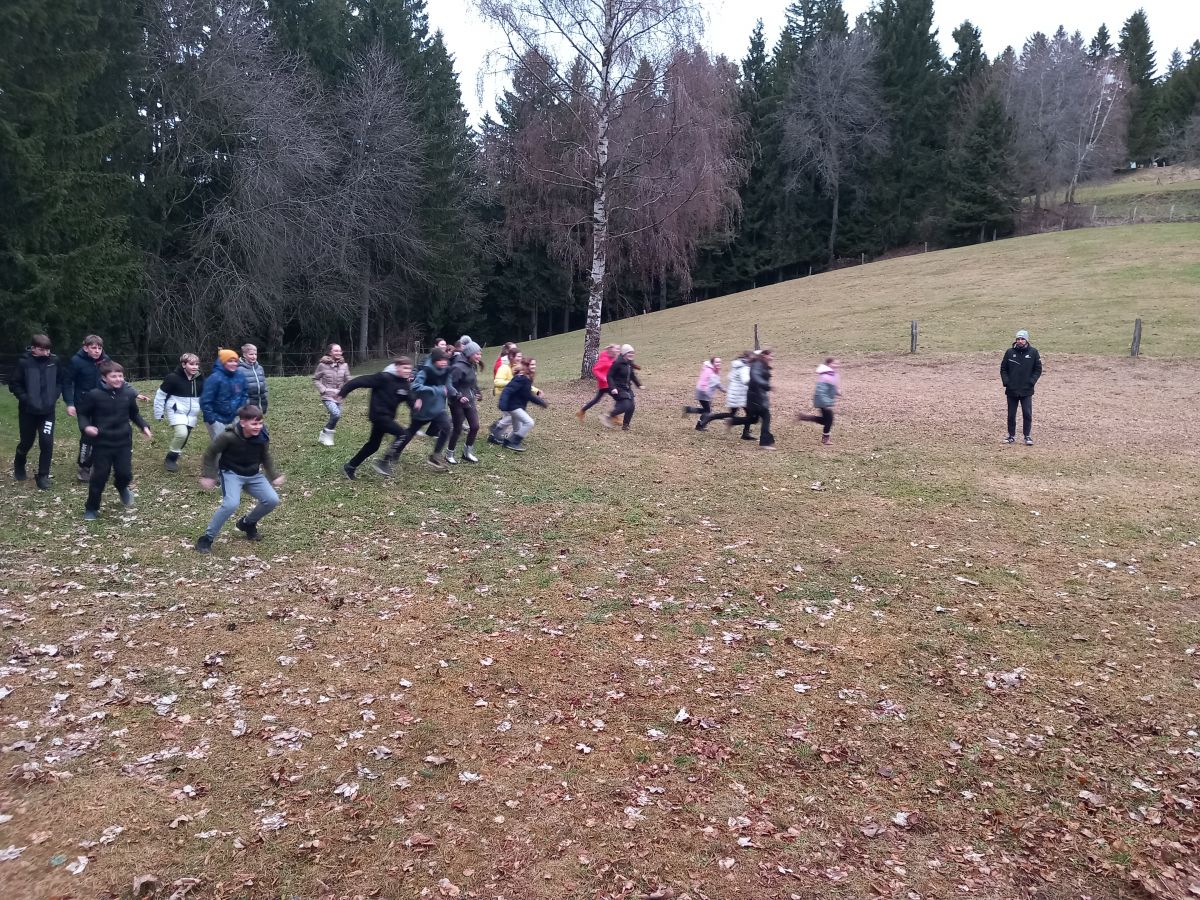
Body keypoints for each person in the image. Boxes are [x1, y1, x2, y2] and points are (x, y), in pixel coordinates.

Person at [195, 405, 283, 553]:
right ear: (242, 423)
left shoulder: (262, 436)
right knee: (231, 504)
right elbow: (210, 453)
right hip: (231, 474)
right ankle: (206, 539)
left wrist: (273, 476)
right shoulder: (228, 436)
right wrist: (209, 475)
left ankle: (247, 523)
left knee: (272, 500)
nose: (258, 427)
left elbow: (265, 456)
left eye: (260, 423)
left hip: (253, 474)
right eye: (254, 424)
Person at [77, 361, 152, 520]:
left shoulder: (127, 394)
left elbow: (134, 414)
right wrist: (86, 427)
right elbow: (82, 414)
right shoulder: (94, 395)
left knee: (125, 473)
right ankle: (91, 508)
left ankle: (122, 487)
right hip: (102, 444)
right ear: (104, 378)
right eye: (113, 376)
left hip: (123, 442)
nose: (118, 379)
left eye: (120, 376)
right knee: (99, 477)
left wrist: (144, 426)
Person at [378, 348, 458, 473]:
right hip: (422, 409)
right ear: (435, 360)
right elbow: (415, 386)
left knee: (447, 427)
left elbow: (448, 386)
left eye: (445, 360)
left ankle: (435, 456)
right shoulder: (426, 371)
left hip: (438, 408)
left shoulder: (446, 371)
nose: (444, 362)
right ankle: (393, 453)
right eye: (441, 360)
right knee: (410, 433)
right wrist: (434, 390)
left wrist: (456, 393)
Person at [338, 357, 414, 480]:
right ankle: (383, 462)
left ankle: (350, 467)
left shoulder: (405, 384)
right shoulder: (384, 378)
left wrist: (416, 406)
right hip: (378, 415)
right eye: (404, 368)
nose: (407, 371)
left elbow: (410, 400)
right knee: (403, 434)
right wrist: (343, 392)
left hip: (387, 417)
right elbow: (360, 381)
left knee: (373, 445)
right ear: (397, 367)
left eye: (409, 368)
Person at [10, 334, 65, 490]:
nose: (46, 353)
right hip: (28, 411)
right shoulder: (24, 362)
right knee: (27, 441)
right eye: (42, 350)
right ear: (33, 348)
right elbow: (14, 384)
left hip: (47, 411)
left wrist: (54, 395)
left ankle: (43, 475)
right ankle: (19, 462)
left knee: (46, 442)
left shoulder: (54, 361)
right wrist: (25, 398)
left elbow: (60, 381)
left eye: (48, 350)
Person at [62, 334, 110, 482]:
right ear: (85, 348)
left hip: (102, 404)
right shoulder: (76, 361)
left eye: (99, 348)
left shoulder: (105, 360)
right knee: (88, 435)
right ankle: (84, 467)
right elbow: (67, 382)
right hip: (83, 404)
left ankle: (100, 462)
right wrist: (70, 403)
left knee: (102, 434)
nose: (97, 351)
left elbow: (114, 378)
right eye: (93, 348)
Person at [154, 353, 205, 471]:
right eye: (191, 364)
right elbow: (160, 396)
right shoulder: (172, 378)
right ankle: (170, 459)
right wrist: (159, 412)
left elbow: (204, 396)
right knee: (181, 433)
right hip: (176, 410)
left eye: (197, 364)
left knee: (184, 436)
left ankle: (174, 455)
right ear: (183, 364)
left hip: (192, 413)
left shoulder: (200, 378)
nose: (195, 367)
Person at [496, 359, 548, 452]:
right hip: (513, 407)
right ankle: (513, 442)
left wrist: (540, 402)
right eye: (531, 364)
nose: (534, 366)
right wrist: (502, 403)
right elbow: (507, 390)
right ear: (525, 366)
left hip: (517, 406)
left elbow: (528, 395)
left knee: (517, 429)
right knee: (529, 422)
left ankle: (507, 441)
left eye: (534, 364)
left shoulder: (527, 379)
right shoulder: (521, 378)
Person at [1001, 329, 1042, 445]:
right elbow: (1003, 369)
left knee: (1027, 414)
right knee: (1011, 414)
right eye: (1018, 339)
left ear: (1026, 340)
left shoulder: (1033, 352)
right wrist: (1006, 382)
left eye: (1022, 339)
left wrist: (1031, 382)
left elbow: (1038, 369)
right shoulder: (1009, 352)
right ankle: (1011, 436)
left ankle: (1027, 436)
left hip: (1026, 390)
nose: (1020, 341)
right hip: (1012, 390)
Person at [729, 348, 775, 449]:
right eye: (771, 355)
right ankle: (765, 443)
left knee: (753, 419)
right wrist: (767, 386)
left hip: (757, 396)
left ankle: (733, 421)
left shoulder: (761, 364)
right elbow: (755, 377)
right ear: (764, 355)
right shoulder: (757, 364)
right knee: (766, 417)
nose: (772, 358)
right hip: (756, 397)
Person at [446, 341, 483, 464]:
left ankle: (467, 453)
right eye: (477, 354)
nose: (479, 356)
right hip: (456, 402)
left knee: (475, 426)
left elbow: (472, 382)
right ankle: (449, 454)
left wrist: (478, 392)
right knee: (457, 429)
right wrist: (458, 396)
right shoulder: (457, 367)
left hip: (469, 400)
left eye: (480, 354)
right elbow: (449, 386)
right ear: (469, 353)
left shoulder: (472, 365)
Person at [200, 349, 249, 440]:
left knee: (237, 442)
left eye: (235, 361)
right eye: (230, 361)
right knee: (220, 444)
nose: (233, 364)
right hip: (217, 418)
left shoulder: (240, 376)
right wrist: (211, 419)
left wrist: (240, 409)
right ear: (223, 362)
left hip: (234, 416)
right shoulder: (214, 378)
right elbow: (205, 401)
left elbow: (244, 393)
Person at [703, 350, 754, 436]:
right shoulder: (744, 367)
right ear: (748, 358)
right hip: (739, 395)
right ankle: (745, 433)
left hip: (735, 394)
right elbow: (745, 380)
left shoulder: (737, 365)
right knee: (749, 414)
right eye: (752, 358)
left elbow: (730, 377)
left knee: (733, 414)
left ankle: (711, 417)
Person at [313, 343, 351, 446]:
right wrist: (323, 389)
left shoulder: (344, 365)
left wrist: (344, 391)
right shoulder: (322, 365)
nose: (338, 353)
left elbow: (348, 380)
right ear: (330, 352)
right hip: (327, 396)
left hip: (339, 396)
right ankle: (328, 437)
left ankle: (324, 434)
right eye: (336, 351)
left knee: (336, 417)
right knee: (336, 414)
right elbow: (316, 379)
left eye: (340, 351)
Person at [798, 358, 841, 445]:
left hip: (826, 400)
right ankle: (825, 439)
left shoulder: (832, 374)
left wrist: (837, 391)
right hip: (823, 400)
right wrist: (826, 404)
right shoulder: (825, 375)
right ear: (829, 364)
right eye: (834, 363)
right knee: (829, 420)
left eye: (838, 364)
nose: (837, 365)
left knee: (826, 420)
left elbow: (831, 387)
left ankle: (805, 417)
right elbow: (820, 391)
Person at [604, 344, 641, 431]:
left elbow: (632, 375)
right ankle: (610, 415)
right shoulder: (617, 363)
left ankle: (625, 425)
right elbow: (609, 376)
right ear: (624, 353)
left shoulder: (629, 363)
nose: (631, 354)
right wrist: (613, 388)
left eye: (632, 353)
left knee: (631, 406)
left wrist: (639, 384)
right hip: (618, 388)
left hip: (627, 388)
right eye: (629, 353)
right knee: (625, 405)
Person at [577, 345, 618, 421]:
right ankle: (614, 416)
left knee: (596, 400)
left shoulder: (612, 358)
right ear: (610, 351)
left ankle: (582, 411)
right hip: (605, 384)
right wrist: (603, 378)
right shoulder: (604, 359)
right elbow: (595, 369)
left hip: (608, 383)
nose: (617, 352)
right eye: (615, 351)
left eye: (617, 350)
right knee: (618, 398)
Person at [684, 357, 724, 431]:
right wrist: (706, 392)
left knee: (706, 410)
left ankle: (691, 411)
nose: (718, 363)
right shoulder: (708, 370)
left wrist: (723, 389)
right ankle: (699, 425)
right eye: (716, 362)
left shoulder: (715, 370)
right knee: (707, 411)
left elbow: (717, 382)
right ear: (712, 363)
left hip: (707, 393)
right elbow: (703, 382)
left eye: (719, 362)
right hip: (703, 392)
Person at [238, 344, 268, 414]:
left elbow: (265, 386)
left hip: (261, 405)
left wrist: (265, 397)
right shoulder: (239, 370)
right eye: (251, 354)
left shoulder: (260, 368)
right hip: (247, 408)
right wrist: (245, 404)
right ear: (244, 355)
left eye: (255, 354)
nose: (254, 356)